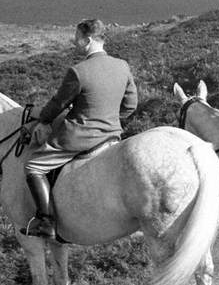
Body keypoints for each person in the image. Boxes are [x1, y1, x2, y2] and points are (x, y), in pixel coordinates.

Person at [22, 18, 138, 239]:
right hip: (112, 135)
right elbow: (131, 105)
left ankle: (46, 222)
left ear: (88, 40)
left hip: (79, 138)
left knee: (33, 166)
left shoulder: (78, 71)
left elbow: (58, 103)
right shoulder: (122, 66)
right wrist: (109, 120)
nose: (74, 41)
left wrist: (44, 121)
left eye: (77, 37)